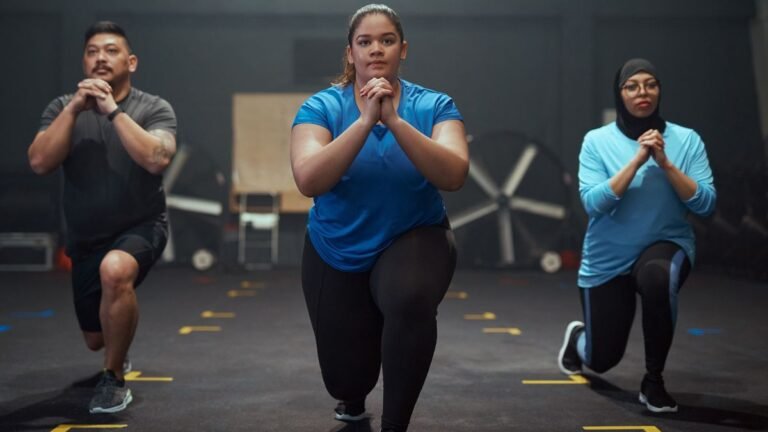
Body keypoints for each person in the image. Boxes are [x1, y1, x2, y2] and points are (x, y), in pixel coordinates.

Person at [290, 4, 468, 431]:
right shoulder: (321, 107)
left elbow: (454, 173)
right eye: (364, 42)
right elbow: (309, 179)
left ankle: (395, 424)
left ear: (402, 50)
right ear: (350, 53)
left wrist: (393, 119)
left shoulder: (434, 105)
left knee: (408, 298)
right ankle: (354, 394)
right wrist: (367, 120)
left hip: (412, 236)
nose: (376, 50)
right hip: (336, 247)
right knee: (346, 379)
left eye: (386, 41)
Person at [27, 21, 177, 414]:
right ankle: (114, 352)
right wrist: (77, 107)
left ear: (131, 61)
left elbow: (158, 158)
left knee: (116, 270)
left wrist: (112, 111)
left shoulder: (153, 108)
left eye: (110, 50)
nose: (100, 58)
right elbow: (40, 162)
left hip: (141, 226)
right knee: (96, 338)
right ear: (84, 61)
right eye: (92, 51)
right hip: (86, 237)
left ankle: (113, 379)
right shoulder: (62, 109)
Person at [557, 58, 716, 413]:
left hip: (666, 243)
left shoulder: (686, 140)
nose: (642, 92)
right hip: (607, 256)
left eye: (650, 84)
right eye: (632, 85)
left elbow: (706, 204)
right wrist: (637, 161)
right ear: (620, 93)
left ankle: (653, 381)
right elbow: (593, 204)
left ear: (659, 90)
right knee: (602, 359)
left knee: (658, 278)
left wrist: (665, 163)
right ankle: (578, 340)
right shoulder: (597, 141)